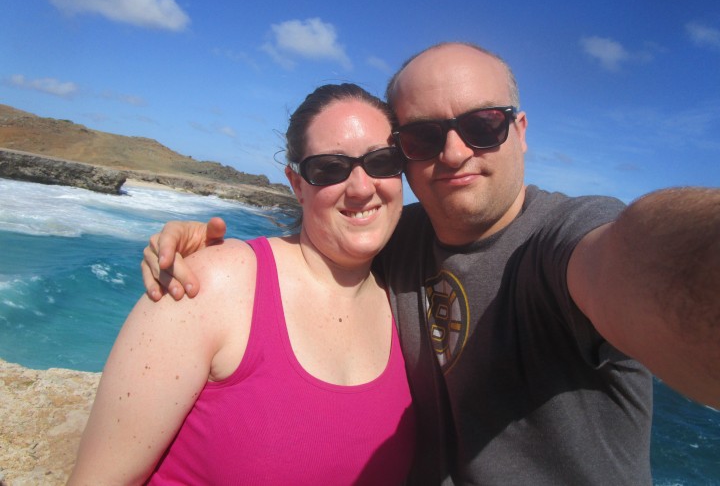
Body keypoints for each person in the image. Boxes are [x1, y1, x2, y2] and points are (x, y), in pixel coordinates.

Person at [141, 43, 720, 485]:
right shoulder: (395, 238)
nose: (454, 152)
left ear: (519, 131)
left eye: (483, 125)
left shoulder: (561, 240)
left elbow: (641, 257)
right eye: (422, 137)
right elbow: (318, 236)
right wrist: (203, 245)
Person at [68, 84, 416, 485]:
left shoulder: (410, 295)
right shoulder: (212, 285)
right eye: (329, 168)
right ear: (297, 184)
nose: (361, 187)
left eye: (382, 161)